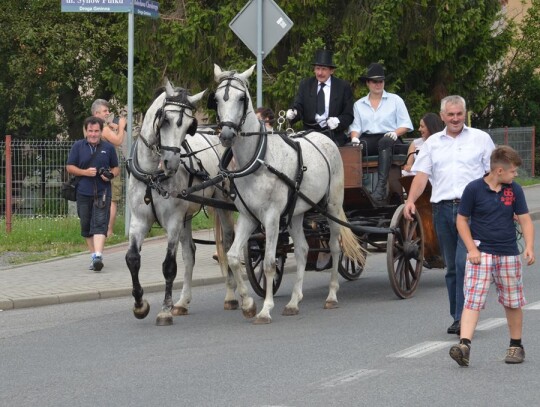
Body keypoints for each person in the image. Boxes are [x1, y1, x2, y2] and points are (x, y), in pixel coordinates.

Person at [404, 95, 495, 335]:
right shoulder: (432, 143)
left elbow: (493, 174)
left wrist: (502, 204)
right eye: (450, 115)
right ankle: (458, 316)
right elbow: (421, 175)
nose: (455, 119)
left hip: (472, 210)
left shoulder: (481, 139)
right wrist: (410, 201)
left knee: (464, 262)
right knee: (452, 267)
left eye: (459, 114)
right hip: (442, 210)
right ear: (442, 116)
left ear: (465, 114)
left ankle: (464, 318)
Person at [449, 146, 535, 367]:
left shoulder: (514, 190)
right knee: (473, 299)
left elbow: (525, 219)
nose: (515, 175)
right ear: (498, 171)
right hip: (481, 253)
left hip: (508, 253)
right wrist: (472, 249)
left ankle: (516, 345)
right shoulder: (474, 189)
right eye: (513, 171)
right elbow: (461, 220)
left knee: (512, 301)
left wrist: (529, 247)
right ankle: (464, 345)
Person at [349, 63, 414, 202]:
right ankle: (353, 192)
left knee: (384, 142)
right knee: (351, 149)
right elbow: (356, 128)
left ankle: (380, 188)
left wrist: (396, 133)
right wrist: (354, 139)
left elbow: (406, 124)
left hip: (390, 138)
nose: (378, 84)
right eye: (374, 81)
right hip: (369, 139)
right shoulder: (359, 104)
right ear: (368, 83)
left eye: (381, 81)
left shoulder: (395, 100)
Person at [67, 116, 120, 272]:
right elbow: (69, 167)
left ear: (101, 131)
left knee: (99, 223)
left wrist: (110, 174)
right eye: (90, 131)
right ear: (86, 131)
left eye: (96, 131)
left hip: (103, 191)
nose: (93, 134)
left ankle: (98, 256)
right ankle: (93, 257)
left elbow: (116, 168)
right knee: (86, 225)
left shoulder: (108, 148)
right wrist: (84, 172)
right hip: (83, 191)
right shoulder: (78, 146)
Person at [286, 49, 354, 147]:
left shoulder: (342, 87)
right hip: (309, 135)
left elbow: (348, 115)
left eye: (324, 69)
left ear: (331, 70)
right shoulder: (305, 85)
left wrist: (337, 121)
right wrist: (293, 113)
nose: (320, 73)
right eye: (317, 68)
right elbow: (298, 106)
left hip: (333, 135)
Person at [90, 99, 126, 237]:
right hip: (108, 169)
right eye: (105, 111)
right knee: (112, 200)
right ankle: (109, 232)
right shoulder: (102, 128)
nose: (108, 113)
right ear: (96, 112)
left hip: (97, 168)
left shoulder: (91, 127)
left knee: (99, 199)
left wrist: (112, 128)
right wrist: (121, 126)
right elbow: (117, 141)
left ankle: (98, 230)